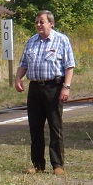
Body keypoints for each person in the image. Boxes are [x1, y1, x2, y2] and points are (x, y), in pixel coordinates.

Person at [14, 10, 75, 175]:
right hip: (35, 88)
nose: (39, 25)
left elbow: (69, 66)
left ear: (51, 23)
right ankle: (37, 164)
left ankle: (57, 165)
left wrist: (66, 87)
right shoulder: (31, 42)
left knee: (55, 127)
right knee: (35, 127)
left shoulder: (61, 40)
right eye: (37, 22)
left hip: (53, 87)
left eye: (42, 22)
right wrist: (18, 78)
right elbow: (23, 63)